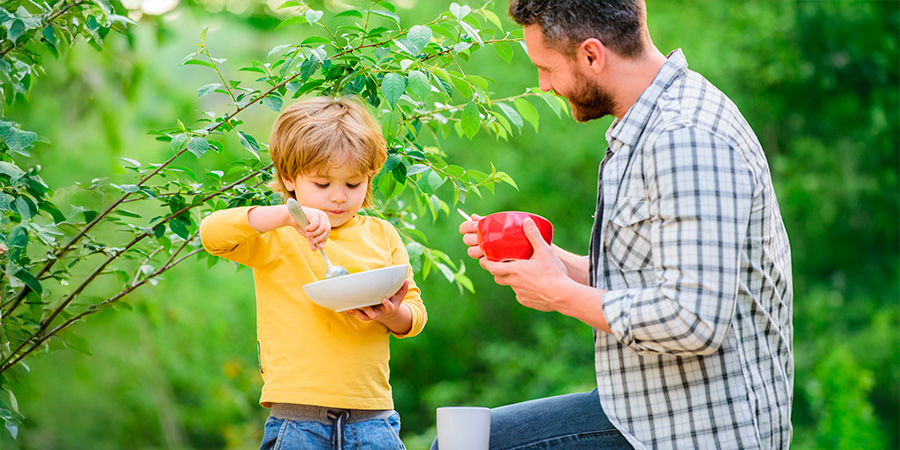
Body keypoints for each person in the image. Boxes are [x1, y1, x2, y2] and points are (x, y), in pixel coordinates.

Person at [445, 1, 794, 449]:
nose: (543, 85)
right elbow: (651, 280)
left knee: (469, 444)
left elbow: (694, 319)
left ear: (592, 54)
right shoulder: (650, 123)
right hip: (644, 408)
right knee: (463, 437)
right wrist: (552, 264)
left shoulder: (684, 137)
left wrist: (560, 295)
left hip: (694, 429)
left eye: (547, 68)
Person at [200, 96, 426, 450]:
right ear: (289, 178)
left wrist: (393, 313)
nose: (338, 198)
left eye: (353, 184)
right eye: (322, 185)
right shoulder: (276, 236)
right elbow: (212, 234)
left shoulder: (382, 235)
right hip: (298, 420)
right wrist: (286, 215)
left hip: (374, 417)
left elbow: (415, 314)